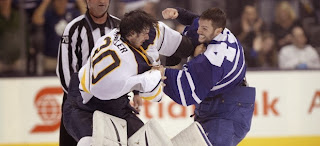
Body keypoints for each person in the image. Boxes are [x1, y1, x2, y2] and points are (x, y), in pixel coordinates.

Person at [63, 9, 194, 144]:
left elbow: (124, 75)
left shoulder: (115, 33)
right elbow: (155, 95)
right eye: (144, 33)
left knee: (144, 141)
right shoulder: (129, 62)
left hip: (107, 97)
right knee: (92, 143)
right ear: (131, 34)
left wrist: (136, 89)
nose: (147, 37)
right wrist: (156, 74)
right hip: (82, 106)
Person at [161, 7, 256, 146]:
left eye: (204, 29)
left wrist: (161, 73)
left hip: (227, 112)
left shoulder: (212, 60)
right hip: (226, 100)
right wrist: (179, 14)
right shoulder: (221, 31)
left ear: (217, 30)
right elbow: (196, 20)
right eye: (200, 26)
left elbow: (187, 91)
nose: (199, 31)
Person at [56, 0, 120, 145]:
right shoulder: (73, 28)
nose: (102, 1)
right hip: (77, 102)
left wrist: (133, 93)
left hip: (111, 102)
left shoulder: (120, 27)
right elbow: (64, 68)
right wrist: (78, 98)